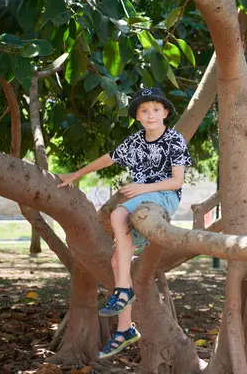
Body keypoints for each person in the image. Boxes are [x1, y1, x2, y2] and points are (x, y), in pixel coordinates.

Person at [56, 88, 192, 358]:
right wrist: (77, 173)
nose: (150, 114)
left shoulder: (174, 139)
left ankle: (122, 291)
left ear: (165, 113)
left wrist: (142, 188)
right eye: (144, 111)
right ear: (138, 117)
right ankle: (124, 328)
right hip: (141, 197)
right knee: (119, 261)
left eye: (156, 109)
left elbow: (177, 181)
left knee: (118, 215)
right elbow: (106, 160)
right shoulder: (135, 141)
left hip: (164, 196)